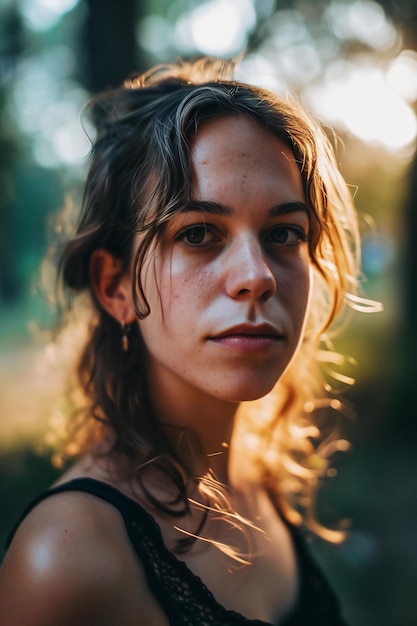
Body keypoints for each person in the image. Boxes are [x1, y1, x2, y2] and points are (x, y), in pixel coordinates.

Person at [0, 57, 377, 625]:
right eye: (198, 233)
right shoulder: (67, 558)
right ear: (115, 287)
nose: (258, 275)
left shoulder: (257, 475)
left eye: (284, 233)